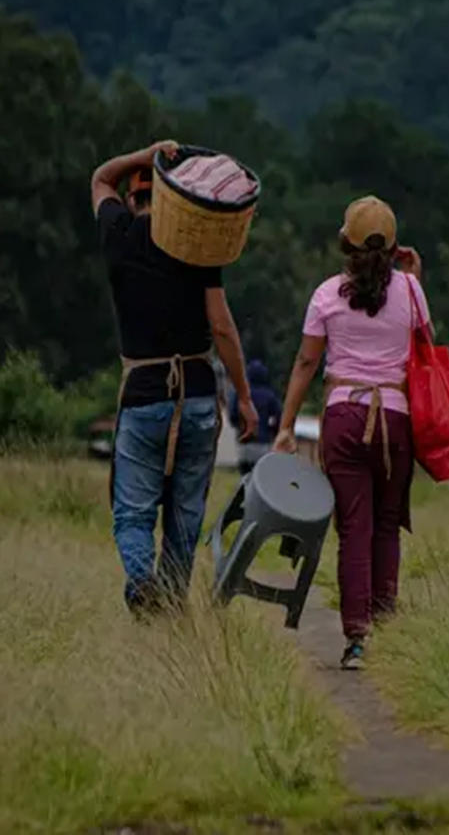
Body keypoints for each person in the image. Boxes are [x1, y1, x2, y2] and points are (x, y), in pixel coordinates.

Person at [91, 140, 259, 618]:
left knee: (132, 512)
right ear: (171, 199)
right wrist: (244, 397)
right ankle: (167, 602)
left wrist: (144, 156)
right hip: (199, 396)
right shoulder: (195, 245)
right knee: (185, 514)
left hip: (143, 396)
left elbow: (100, 177)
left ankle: (142, 581)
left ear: (132, 199)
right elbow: (222, 326)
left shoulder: (118, 236)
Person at [272, 195, 427, 669]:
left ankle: (357, 640)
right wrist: (415, 280)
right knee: (387, 527)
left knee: (354, 530)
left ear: (346, 244)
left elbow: (306, 362)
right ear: (395, 246)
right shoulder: (412, 292)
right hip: (397, 420)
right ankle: (388, 631)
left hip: (343, 418)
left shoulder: (326, 294)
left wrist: (286, 426)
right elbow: (421, 346)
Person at [231, 358, 282, 475]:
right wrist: (272, 432)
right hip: (264, 444)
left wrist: (240, 428)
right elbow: (278, 418)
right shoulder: (271, 396)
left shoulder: (241, 395)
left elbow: (233, 415)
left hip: (245, 443)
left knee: (245, 477)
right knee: (262, 479)